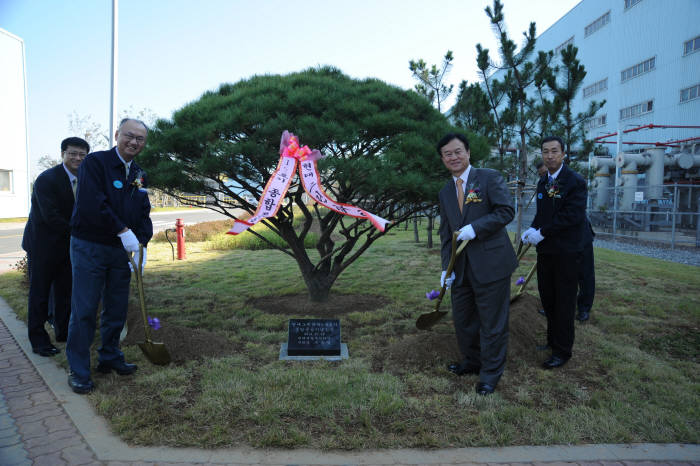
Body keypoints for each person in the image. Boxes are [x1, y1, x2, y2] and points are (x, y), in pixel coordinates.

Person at [66, 118, 152, 394]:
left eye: (140, 138)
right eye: (129, 136)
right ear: (117, 135)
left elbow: (143, 211)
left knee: (116, 308)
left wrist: (142, 243)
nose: (134, 142)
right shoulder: (95, 163)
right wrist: (122, 230)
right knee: (86, 309)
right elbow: (94, 203)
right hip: (90, 245)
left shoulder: (139, 173)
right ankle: (78, 369)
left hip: (121, 250)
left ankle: (110, 356)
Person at [437, 133, 518, 396]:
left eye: (457, 151)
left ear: (468, 153)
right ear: (443, 159)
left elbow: (506, 211)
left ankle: (490, 374)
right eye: (447, 154)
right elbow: (446, 233)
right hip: (461, 268)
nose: (453, 157)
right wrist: (445, 268)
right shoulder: (446, 192)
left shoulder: (488, 178)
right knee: (464, 320)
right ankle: (472, 362)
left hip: (491, 264)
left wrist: (477, 227)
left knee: (492, 322)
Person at [522, 136, 587, 370]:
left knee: (564, 302)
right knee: (548, 298)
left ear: (563, 154)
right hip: (546, 251)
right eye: (545, 152)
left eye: (554, 151)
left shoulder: (575, 181)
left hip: (567, 253)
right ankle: (552, 341)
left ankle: (562, 351)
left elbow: (571, 216)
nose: (549, 156)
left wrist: (543, 231)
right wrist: (531, 229)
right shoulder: (543, 182)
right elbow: (543, 214)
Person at [22, 137, 89, 356]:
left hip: (68, 246)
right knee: (40, 293)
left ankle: (63, 332)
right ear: (63, 154)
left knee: (65, 291)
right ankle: (38, 339)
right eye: (73, 153)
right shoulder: (47, 179)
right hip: (43, 246)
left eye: (82, 154)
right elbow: (51, 216)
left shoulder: (86, 178)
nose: (77, 158)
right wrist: (82, 232)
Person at [577, 218, 595, 321]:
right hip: (559, 234)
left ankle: (584, 308)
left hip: (581, 234)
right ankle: (555, 306)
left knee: (585, 273)